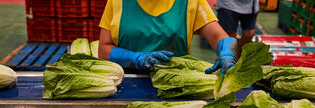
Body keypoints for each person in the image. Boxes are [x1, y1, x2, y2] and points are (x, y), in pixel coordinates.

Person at [98, 0, 237, 75]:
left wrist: (227, 51)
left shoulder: (190, 2)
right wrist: (134, 58)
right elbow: (103, 49)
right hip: (127, 82)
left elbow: (218, 36)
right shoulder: (117, 1)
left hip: (176, 85)